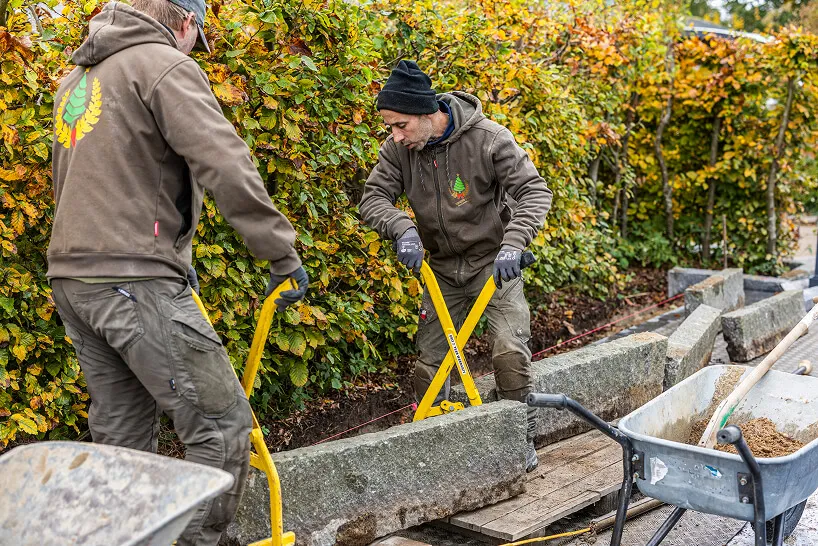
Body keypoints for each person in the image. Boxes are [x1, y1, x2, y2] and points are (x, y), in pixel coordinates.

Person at [47, 1, 308, 543]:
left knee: (121, 442)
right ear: (186, 21)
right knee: (221, 430)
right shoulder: (161, 64)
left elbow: (80, 183)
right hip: (133, 280)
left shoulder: (76, 80)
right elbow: (223, 161)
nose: (193, 50)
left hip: (75, 280)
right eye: (196, 37)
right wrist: (280, 252)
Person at [359, 61, 552, 472]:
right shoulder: (399, 151)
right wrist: (403, 229)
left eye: (400, 125)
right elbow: (373, 198)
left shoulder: (489, 139)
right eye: (389, 127)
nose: (394, 135)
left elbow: (534, 191)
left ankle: (519, 438)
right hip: (442, 269)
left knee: (509, 350)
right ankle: (437, 449)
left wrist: (513, 245)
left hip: (493, 264)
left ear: (427, 113)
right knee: (431, 363)